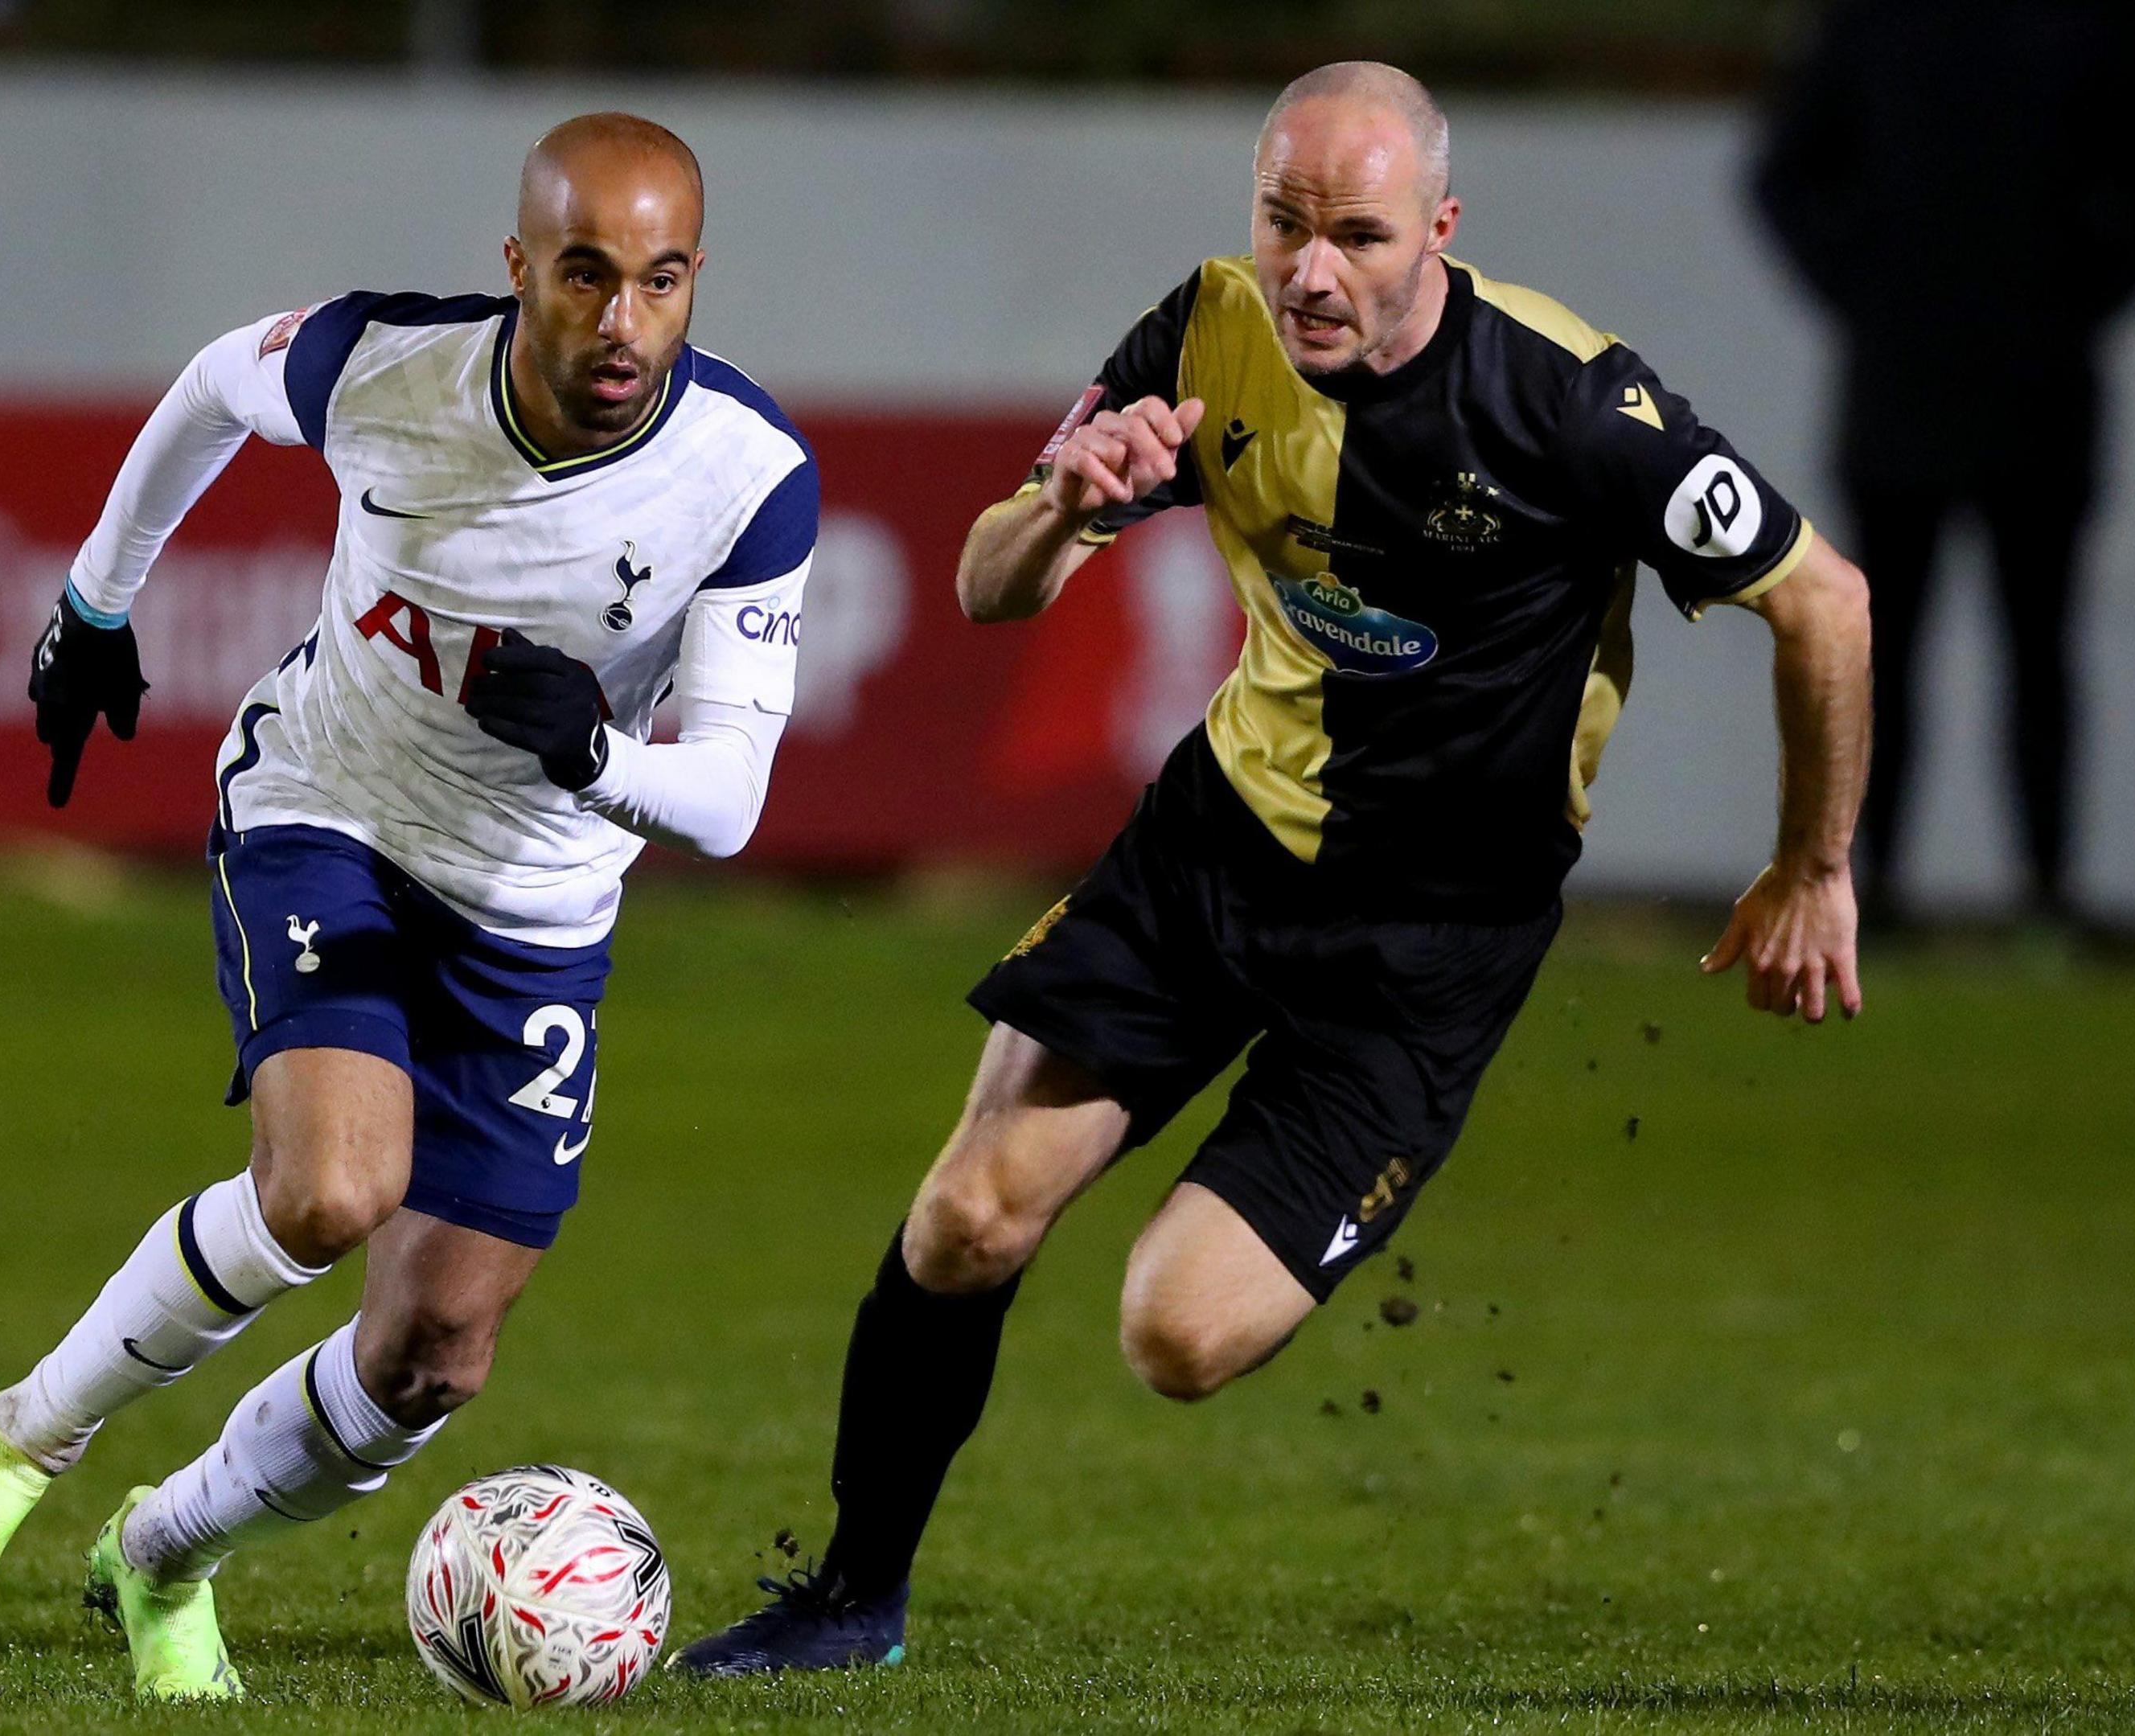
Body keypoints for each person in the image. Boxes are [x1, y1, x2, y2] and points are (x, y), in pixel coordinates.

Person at [672, 62, 1873, 1674]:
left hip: (1429, 946)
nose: (1313, 268)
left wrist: (1813, 862)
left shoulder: (1573, 405)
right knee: (967, 1217)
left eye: (1359, 235)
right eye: (1284, 221)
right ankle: (850, 1595)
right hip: (1216, 850)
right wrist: (1066, 509)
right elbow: (984, 581)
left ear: (1439, 231)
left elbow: (1829, 601)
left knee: (1176, 1332)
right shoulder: (1204, 330)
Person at [0, 112, 816, 1701]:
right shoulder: (380, 363)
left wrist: (599, 753)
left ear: (696, 281)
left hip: (538, 912)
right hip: (332, 808)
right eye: (584, 275)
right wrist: (100, 595)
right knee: (328, 1191)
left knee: (433, 1348)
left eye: (661, 282)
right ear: (519, 266)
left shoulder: (750, 476)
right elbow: (208, 390)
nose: (621, 324)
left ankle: (163, 1552)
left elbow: (730, 790)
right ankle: (25, 1430)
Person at [1753, 0, 2135, 925]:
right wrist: (2075, 296)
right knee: (1919, 652)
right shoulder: (1906, 24)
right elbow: (1784, 176)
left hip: (1976, 384)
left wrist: (1872, 294)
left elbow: (1786, 176)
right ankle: (1937, 882)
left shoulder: (1891, 24)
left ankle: (2009, 882)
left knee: (2003, 650)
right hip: (1976, 383)